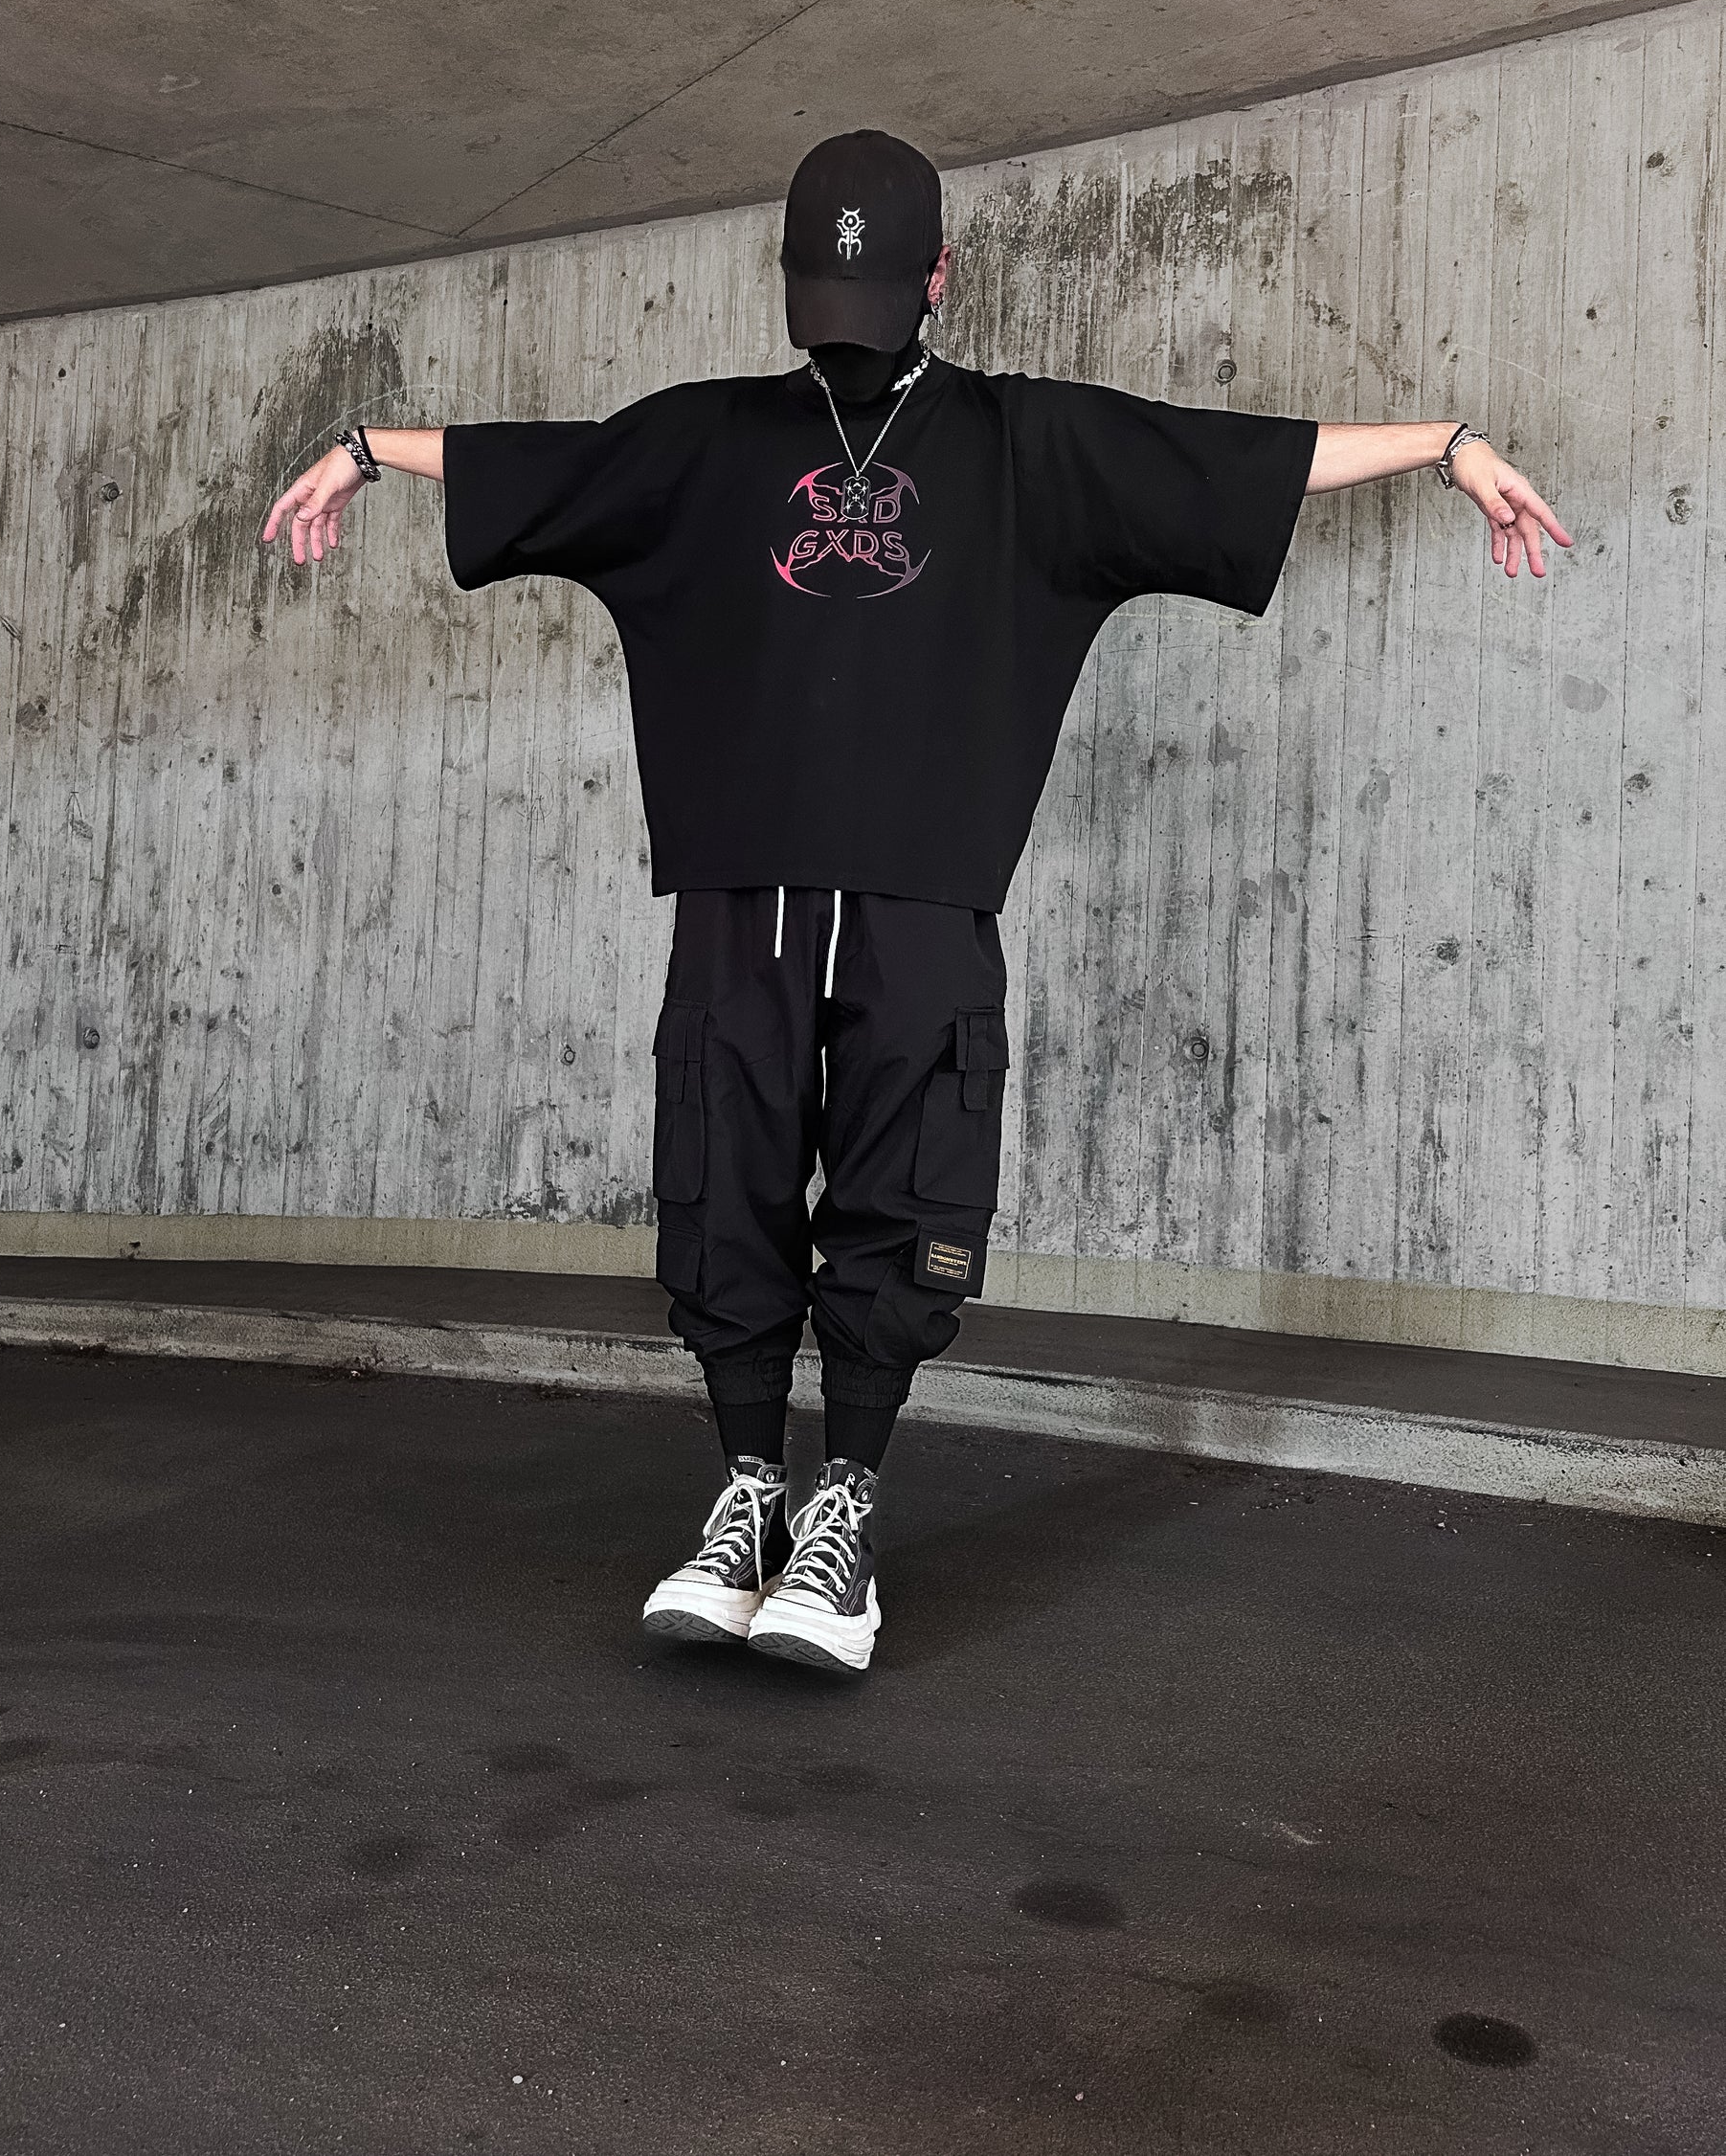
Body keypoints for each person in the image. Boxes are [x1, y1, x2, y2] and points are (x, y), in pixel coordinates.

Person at [262, 129, 1570, 1675]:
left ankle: (844, 1515)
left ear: (939, 279)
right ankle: (747, 1488)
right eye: (823, 290)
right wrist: (357, 449)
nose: (846, 316)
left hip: (923, 898)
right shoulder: (708, 438)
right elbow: (528, 457)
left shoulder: (1024, 444)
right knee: (723, 1174)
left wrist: (1443, 445)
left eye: (874, 290)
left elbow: (1235, 454)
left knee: (905, 1191)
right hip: (739, 892)